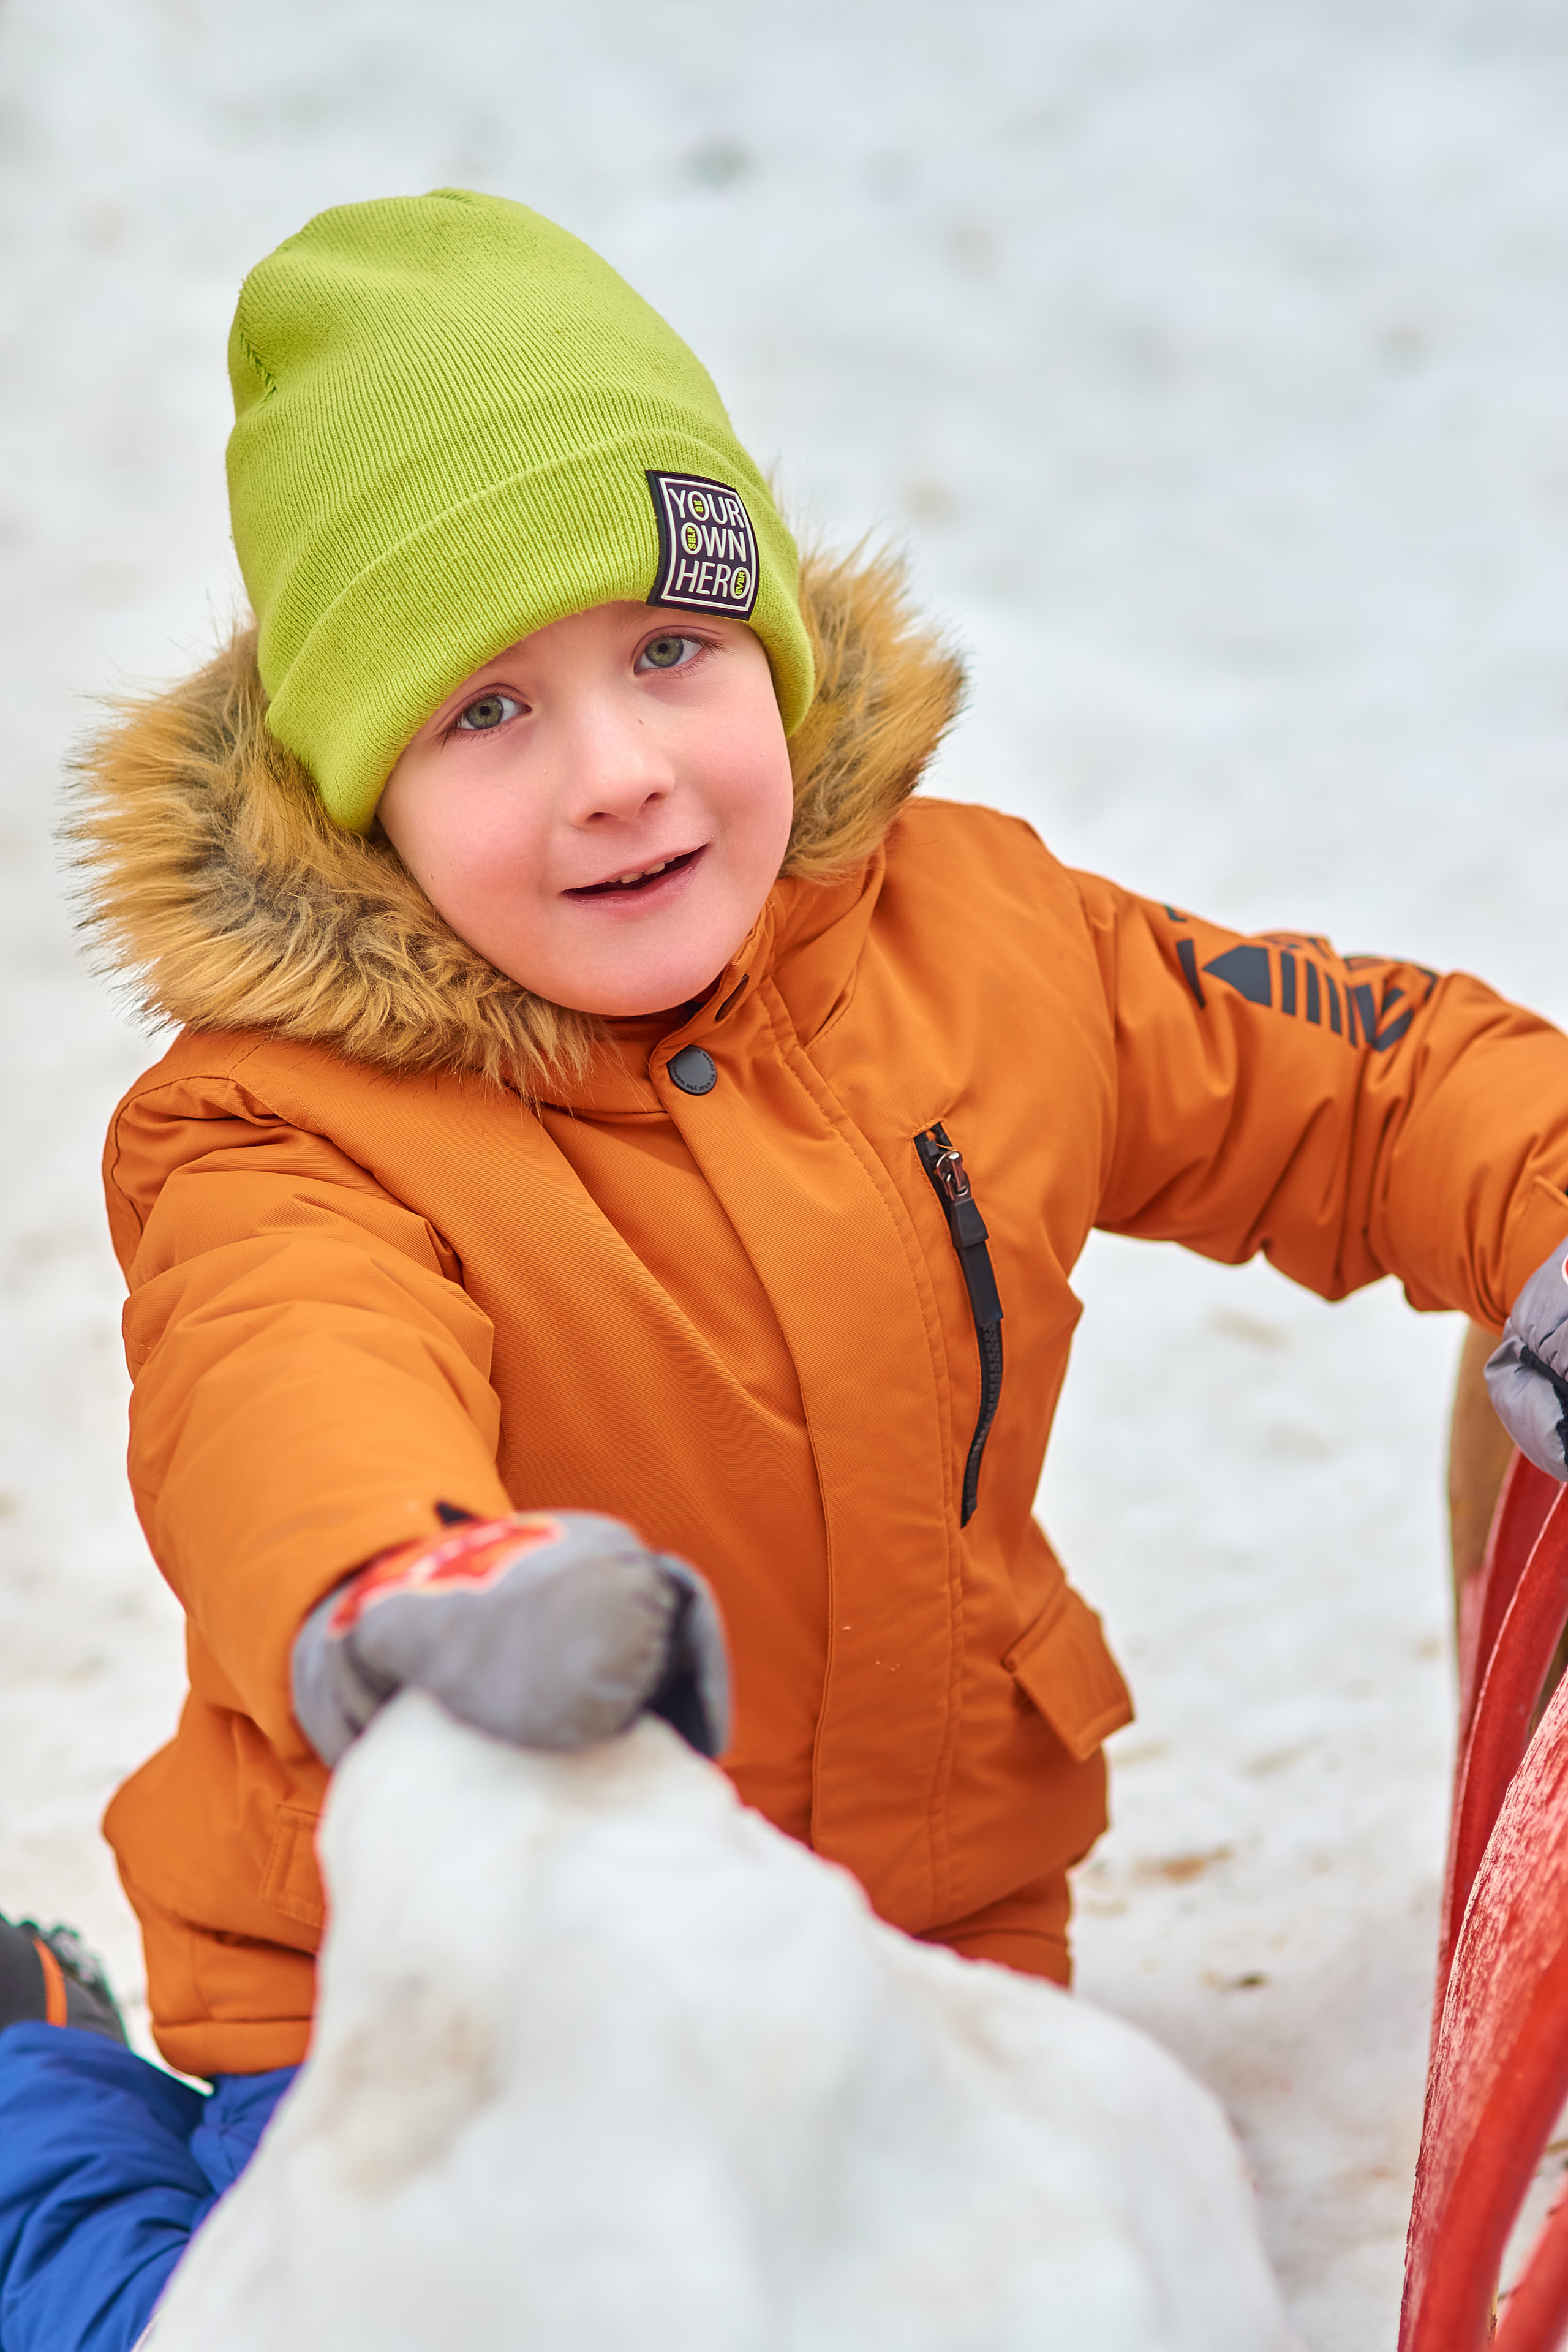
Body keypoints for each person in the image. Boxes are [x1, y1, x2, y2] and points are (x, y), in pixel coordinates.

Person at [4, 186, 1568, 2351]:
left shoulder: (973, 946)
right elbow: (292, 1381)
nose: (621, 771)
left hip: (929, 1965)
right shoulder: (284, 1127)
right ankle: (30, 2117)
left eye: (670, 650)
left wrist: (1551, 1193)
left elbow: (1358, 1081)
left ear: (770, 649)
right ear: (362, 802)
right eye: (487, 715)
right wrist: (412, 1592)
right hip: (454, 2001)